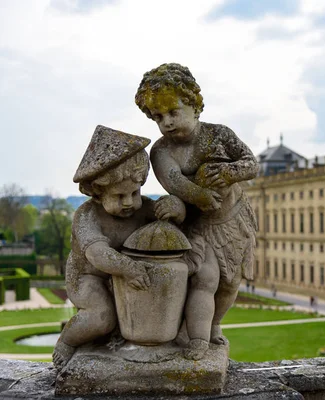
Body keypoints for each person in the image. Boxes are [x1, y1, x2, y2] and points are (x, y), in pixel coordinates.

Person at [136, 63, 259, 359]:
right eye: (158, 117)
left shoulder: (219, 135)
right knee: (205, 278)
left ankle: (215, 325)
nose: (166, 122)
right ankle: (198, 338)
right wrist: (199, 194)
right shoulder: (161, 152)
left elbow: (252, 163)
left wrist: (230, 172)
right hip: (198, 223)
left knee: (230, 285)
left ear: (193, 104)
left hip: (233, 221)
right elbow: (174, 181)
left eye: (173, 111)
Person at [53, 126, 185, 370]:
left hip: (124, 275)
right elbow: (96, 254)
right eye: (119, 196)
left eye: (135, 192)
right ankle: (67, 341)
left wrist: (176, 208)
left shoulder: (141, 208)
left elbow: (170, 223)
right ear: (97, 193)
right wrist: (129, 268)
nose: (129, 202)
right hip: (88, 277)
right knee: (100, 317)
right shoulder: (87, 215)